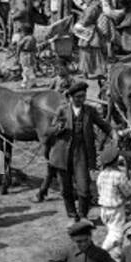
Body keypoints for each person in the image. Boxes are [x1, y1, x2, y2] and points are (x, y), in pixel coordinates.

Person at [46, 81, 113, 221]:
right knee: (65, 188)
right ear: (71, 97)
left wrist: (114, 133)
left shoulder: (90, 111)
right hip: (62, 154)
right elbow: (50, 131)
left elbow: (103, 124)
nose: (81, 100)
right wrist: (58, 128)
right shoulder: (62, 110)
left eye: (83, 96)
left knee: (84, 188)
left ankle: (83, 215)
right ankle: (72, 214)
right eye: (77, 97)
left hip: (81, 153)